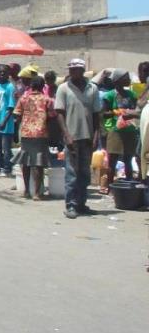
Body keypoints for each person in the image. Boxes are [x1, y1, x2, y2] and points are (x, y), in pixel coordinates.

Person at [55, 58, 103, 219]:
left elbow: (97, 114)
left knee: (84, 173)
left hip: (88, 137)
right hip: (72, 137)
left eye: (76, 69)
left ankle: (82, 203)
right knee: (72, 173)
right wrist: (67, 135)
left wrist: (96, 135)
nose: (73, 71)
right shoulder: (63, 88)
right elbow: (60, 114)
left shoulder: (93, 89)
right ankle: (71, 205)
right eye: (71, 69)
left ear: (82, 71)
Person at [4, 76, 54, 199]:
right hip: (41, 134)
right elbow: (52, 116)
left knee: (25, 162)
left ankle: (26, 191)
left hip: (26, 133)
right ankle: (37, 193)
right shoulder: (47, 100)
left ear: (31, 86)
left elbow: (16, 115)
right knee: (38, 163)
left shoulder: (24, 98)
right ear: (43, 87)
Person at [101, 69, 140, 192]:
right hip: (115, 130)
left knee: (128, 159)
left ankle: (128, 186)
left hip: (130, 130)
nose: (128, 80)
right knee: (112, 159)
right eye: (126, 77)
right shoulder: (110, 95)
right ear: (117, 80)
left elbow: (136, 111)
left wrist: (130, 114)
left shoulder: (131, 95)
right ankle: (110, 187)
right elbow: (104, 113)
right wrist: (116, 112)